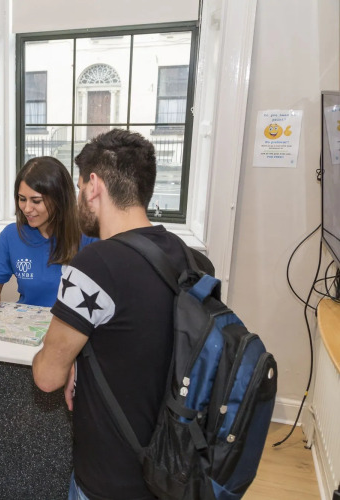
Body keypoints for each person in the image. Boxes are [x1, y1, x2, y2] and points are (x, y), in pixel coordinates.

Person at [32, 129, 213, 500]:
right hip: (172, 469)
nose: (79, 196)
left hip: (109, 477)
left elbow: (47, 377)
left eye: (80, 186)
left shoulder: (93, 265)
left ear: (94, 186)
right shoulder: (187, 257)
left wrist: (58, 357)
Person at [0, 156, 97, 311]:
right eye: (22, 199)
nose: (27, 209)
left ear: (60, 199)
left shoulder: (89, 237)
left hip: (71, 324)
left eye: (36, 201)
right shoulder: (10, 235)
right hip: (26, 322)